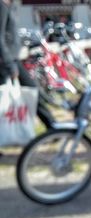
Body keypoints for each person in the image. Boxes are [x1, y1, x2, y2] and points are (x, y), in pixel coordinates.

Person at [0, 0, 54, 129]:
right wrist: (9, 64)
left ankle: (53, 125)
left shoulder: (8, 6)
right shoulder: (1, 6)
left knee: (30, 91)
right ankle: (53, 125)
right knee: (31, 90)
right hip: (7, 61)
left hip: (10, 59)